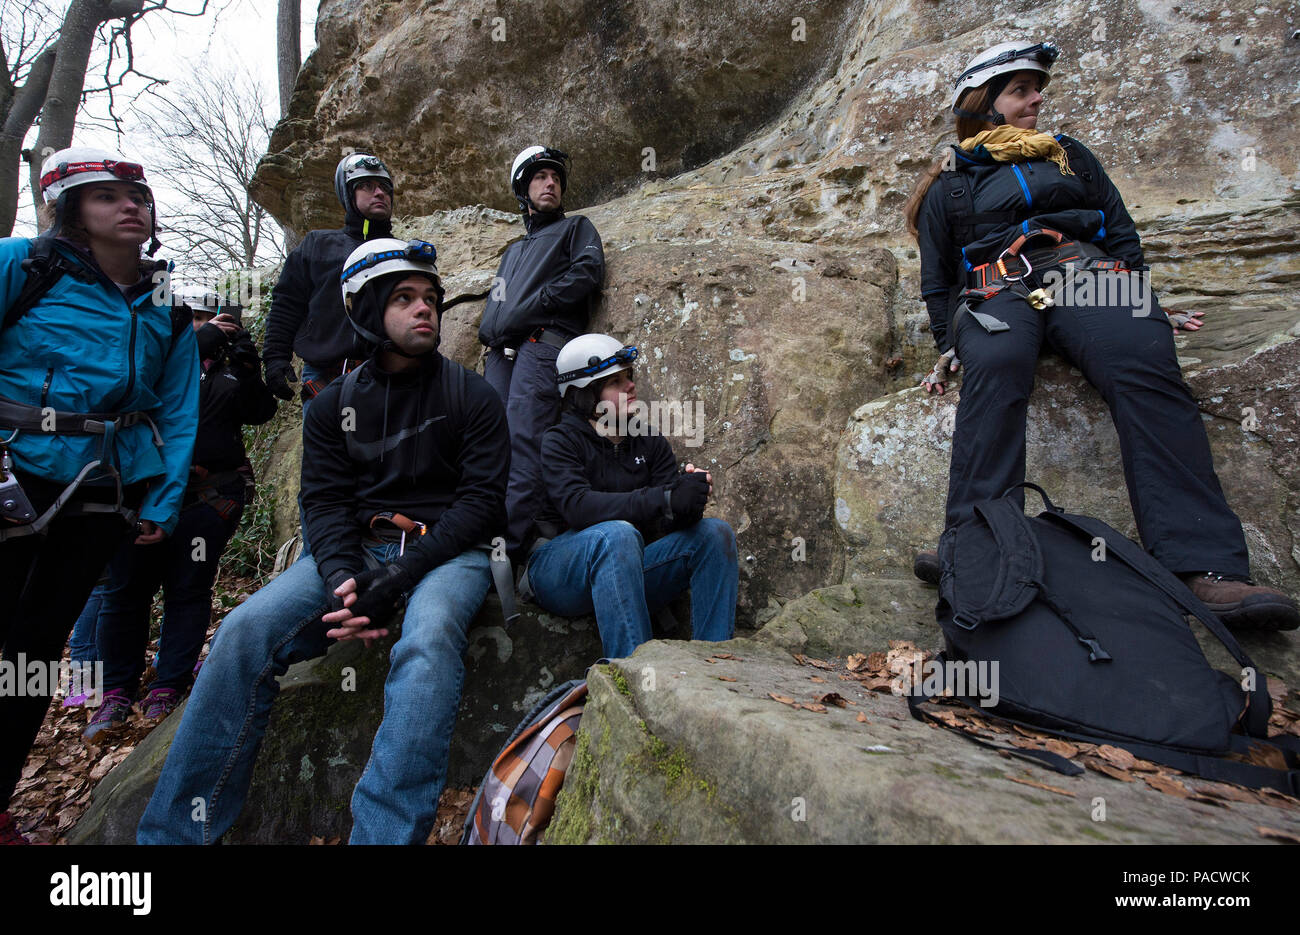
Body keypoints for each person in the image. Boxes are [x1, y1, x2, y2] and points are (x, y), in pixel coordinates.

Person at [903, 41, 1298, 631]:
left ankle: (1206, 568)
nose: (1038, 98)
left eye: (1038, 88)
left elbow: (1121, 235)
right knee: (999, 360)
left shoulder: (1072, 158)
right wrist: (950, 344)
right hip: (998, 288)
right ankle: (977, 549)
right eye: (1021, 90)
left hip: (1088, 275)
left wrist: (1141, 302)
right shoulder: (950, 183)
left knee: (1142, 357)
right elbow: (938, 282)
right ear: (983, 103)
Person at [138, 238, 509, 845]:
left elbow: (481, 505)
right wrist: (344, 580)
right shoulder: (331, 406)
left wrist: (398, 580)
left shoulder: (474, 396)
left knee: (430, 635)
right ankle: (174, 837)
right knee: (242, 633)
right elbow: (326, 503)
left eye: (430, 299)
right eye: (405, 299)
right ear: (365, 312)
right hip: (352, 553)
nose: (426, 311)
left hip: (446, 551)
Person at [0, 147, 199, 844]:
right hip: (14, 471)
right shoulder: (20, 264)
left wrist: (164, 501)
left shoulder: (166, 298)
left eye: (137, 196)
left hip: (101, 491)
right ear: (72, 210)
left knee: (30, 654)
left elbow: (179, 408)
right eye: (108, 195)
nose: (130, 205)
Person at [83, 289, 277, 742]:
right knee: (126, 592)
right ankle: (115, 692)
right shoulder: (148, 356)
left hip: (209, 496)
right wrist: (194, 344)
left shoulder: (225, 369)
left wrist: (248, 372)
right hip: (137, 492)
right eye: (197, 317)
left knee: (188, 589)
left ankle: (169, 683)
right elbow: (124, 392)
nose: (211, 324)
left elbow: (259, 413)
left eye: (216, 317)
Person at [520, 333, 738, 658]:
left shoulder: (649, 441)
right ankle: (632, 681)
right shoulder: (560, 441)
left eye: (629, 377)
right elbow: (578, 507)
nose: (630, 387)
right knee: (616, 534)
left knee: (715, 533)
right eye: (615, 382)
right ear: (584, 395)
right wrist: (661, 497)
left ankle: (714, 669)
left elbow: (667, 523)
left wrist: (686, 500)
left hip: (626, 572)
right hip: (559, 570)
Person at [478, 146, 604, 559]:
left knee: (525, 440)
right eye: (539, 177)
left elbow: (587, 273)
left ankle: (509, 549)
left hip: (542, 343)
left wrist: (541, 301)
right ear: (522, 190)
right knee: (489, 442)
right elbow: (499, 299)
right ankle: (482, 536)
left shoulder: (575, 229)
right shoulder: (512, 251)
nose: (550, 183)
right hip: (501, 352)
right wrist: (491, 328)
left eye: (555, 177)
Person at [262, 152, 396, 408]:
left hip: (389, 376)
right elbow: (287, 303)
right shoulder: (318, 245)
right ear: (348, 194)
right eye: (366, 186)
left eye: (384, 187)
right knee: (324, 449)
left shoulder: (400, 253)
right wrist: (275, 358)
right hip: (326, 378)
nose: (379, 193)